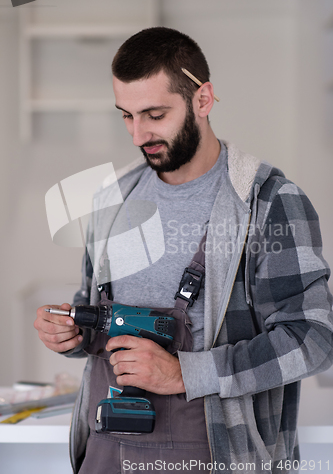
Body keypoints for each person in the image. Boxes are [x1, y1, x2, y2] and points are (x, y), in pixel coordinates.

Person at [34, 27, 333, 474]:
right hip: (104, 448)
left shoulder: (268, 203)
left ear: (203, 99)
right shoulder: (111, 200)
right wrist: (73, 332)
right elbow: (94, 311)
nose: (138, 135)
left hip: (216, 453)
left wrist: (185, 373)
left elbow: (313, 338)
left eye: (155, 114)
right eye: (127, 116)